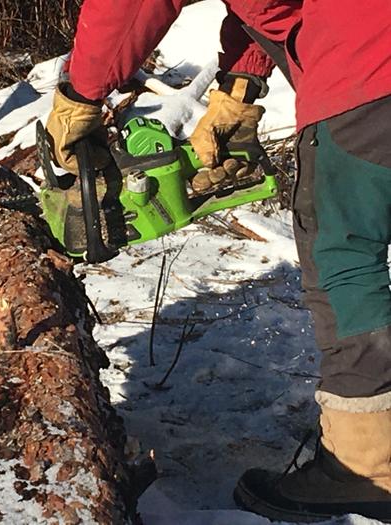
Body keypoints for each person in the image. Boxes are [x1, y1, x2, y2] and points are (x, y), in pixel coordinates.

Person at [45, 1, 391, 522]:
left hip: (368, 65)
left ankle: (367, 469)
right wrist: (241, 87)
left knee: (344, 258)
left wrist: (80, 94)